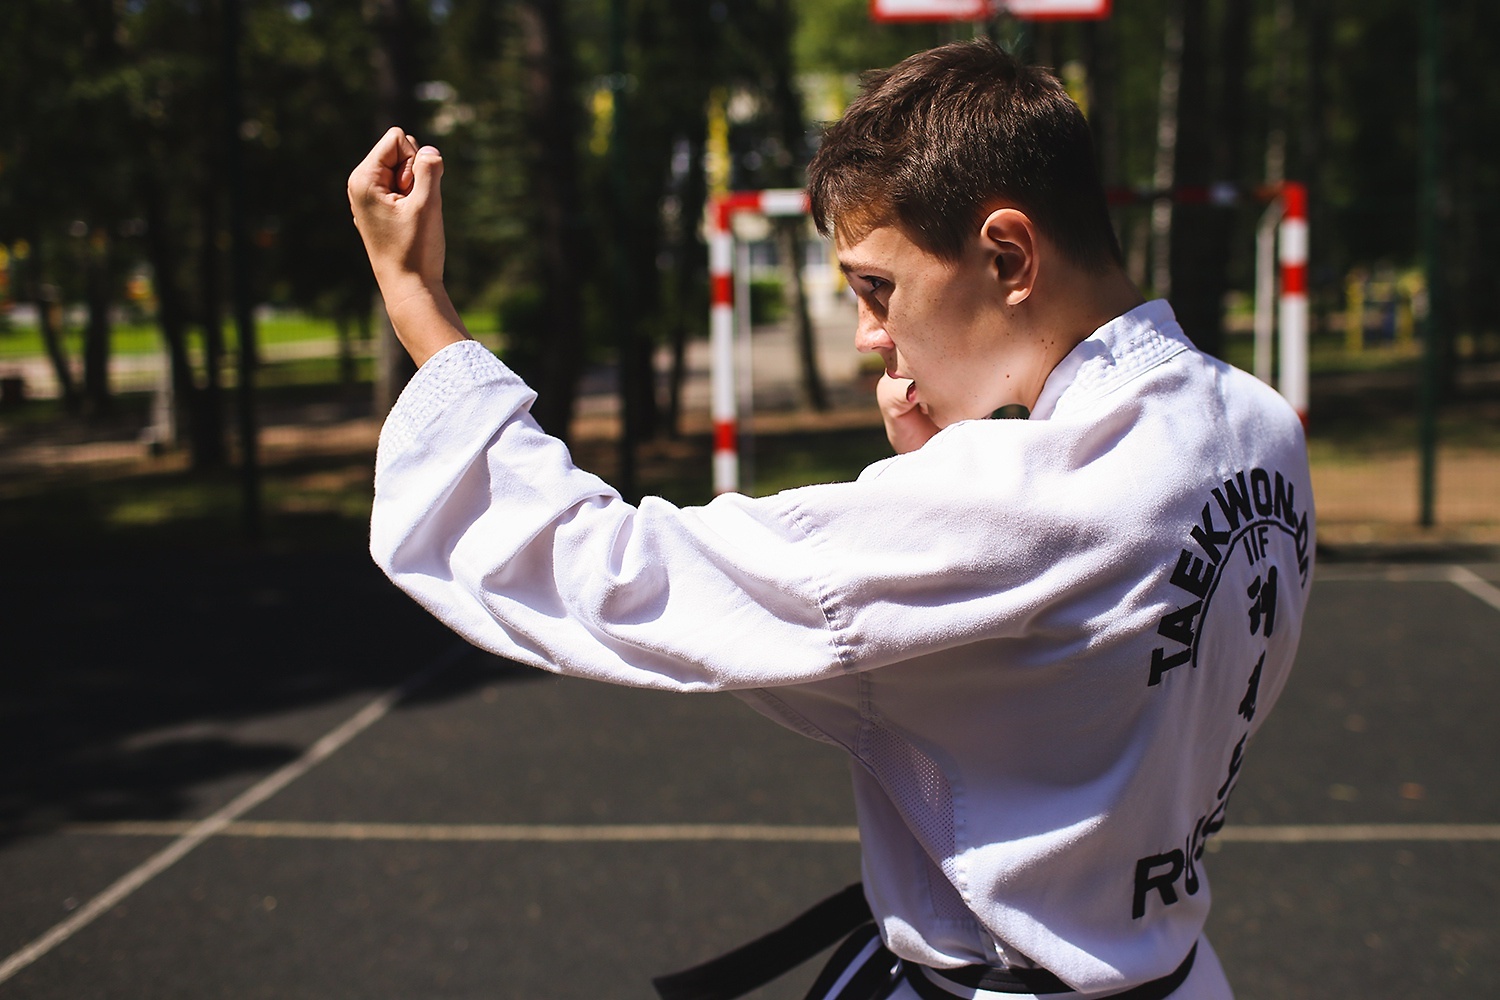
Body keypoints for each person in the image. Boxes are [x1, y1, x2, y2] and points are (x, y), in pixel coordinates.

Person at [348, 39, 1313, 1000]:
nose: (867, 336)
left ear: (1009, 256)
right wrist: (935, 468)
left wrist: (418, 300)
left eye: (877, 287)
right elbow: (1074, 680)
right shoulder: (1257, 424)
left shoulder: (1015, 502)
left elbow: (611, 571)